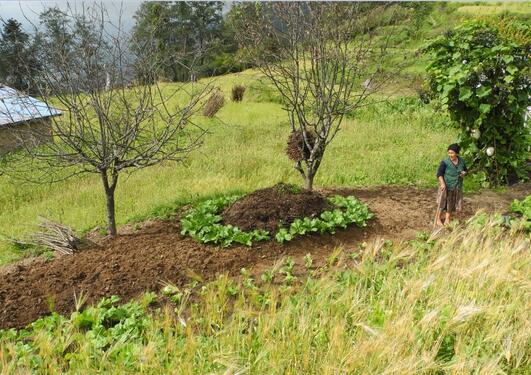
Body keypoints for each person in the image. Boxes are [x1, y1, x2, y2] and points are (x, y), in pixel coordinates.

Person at [436, 143, 467, 226]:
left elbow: (465, 170)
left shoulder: (462, 161)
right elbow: (439, 174)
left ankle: (447, 219)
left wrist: (464, 173)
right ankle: (438, 219)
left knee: (451, 203)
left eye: (452, 153)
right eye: (449, 153)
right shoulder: (445, 162)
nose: (450, 155)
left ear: (456, 153)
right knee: (442, 203)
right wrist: (442, 183)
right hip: (446, 186)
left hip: (456, 186)